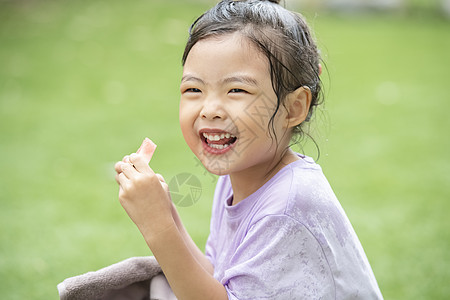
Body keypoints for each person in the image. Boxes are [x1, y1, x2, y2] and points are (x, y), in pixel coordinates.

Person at [115, 0, 383, 299]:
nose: (210, 109)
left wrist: (158, 227)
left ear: (293, 108)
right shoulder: (236, 176)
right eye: (194, 89)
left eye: (237, 90)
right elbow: (219, 278)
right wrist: (167, 214)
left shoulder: (289, 206)